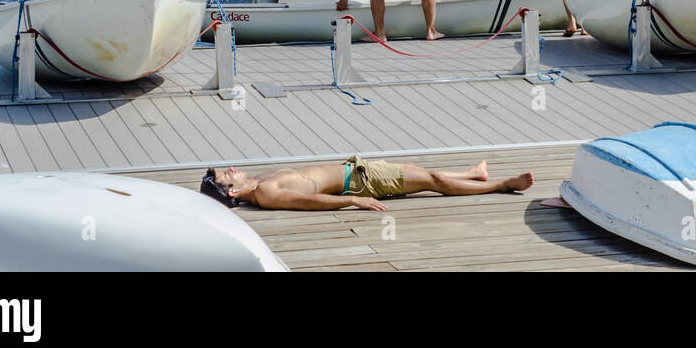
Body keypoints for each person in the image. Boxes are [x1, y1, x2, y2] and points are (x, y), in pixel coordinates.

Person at [200, 157, 535, 211]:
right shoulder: (265, 193)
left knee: (423, 175)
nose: (231, 169)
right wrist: (353, 201)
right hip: (361, 181)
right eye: (226, 176)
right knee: (432, 181)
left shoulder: (258, 183)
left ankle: (472, 174)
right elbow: (308, 202)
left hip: (356, 170)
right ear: (231, 191)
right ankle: (501, 186)